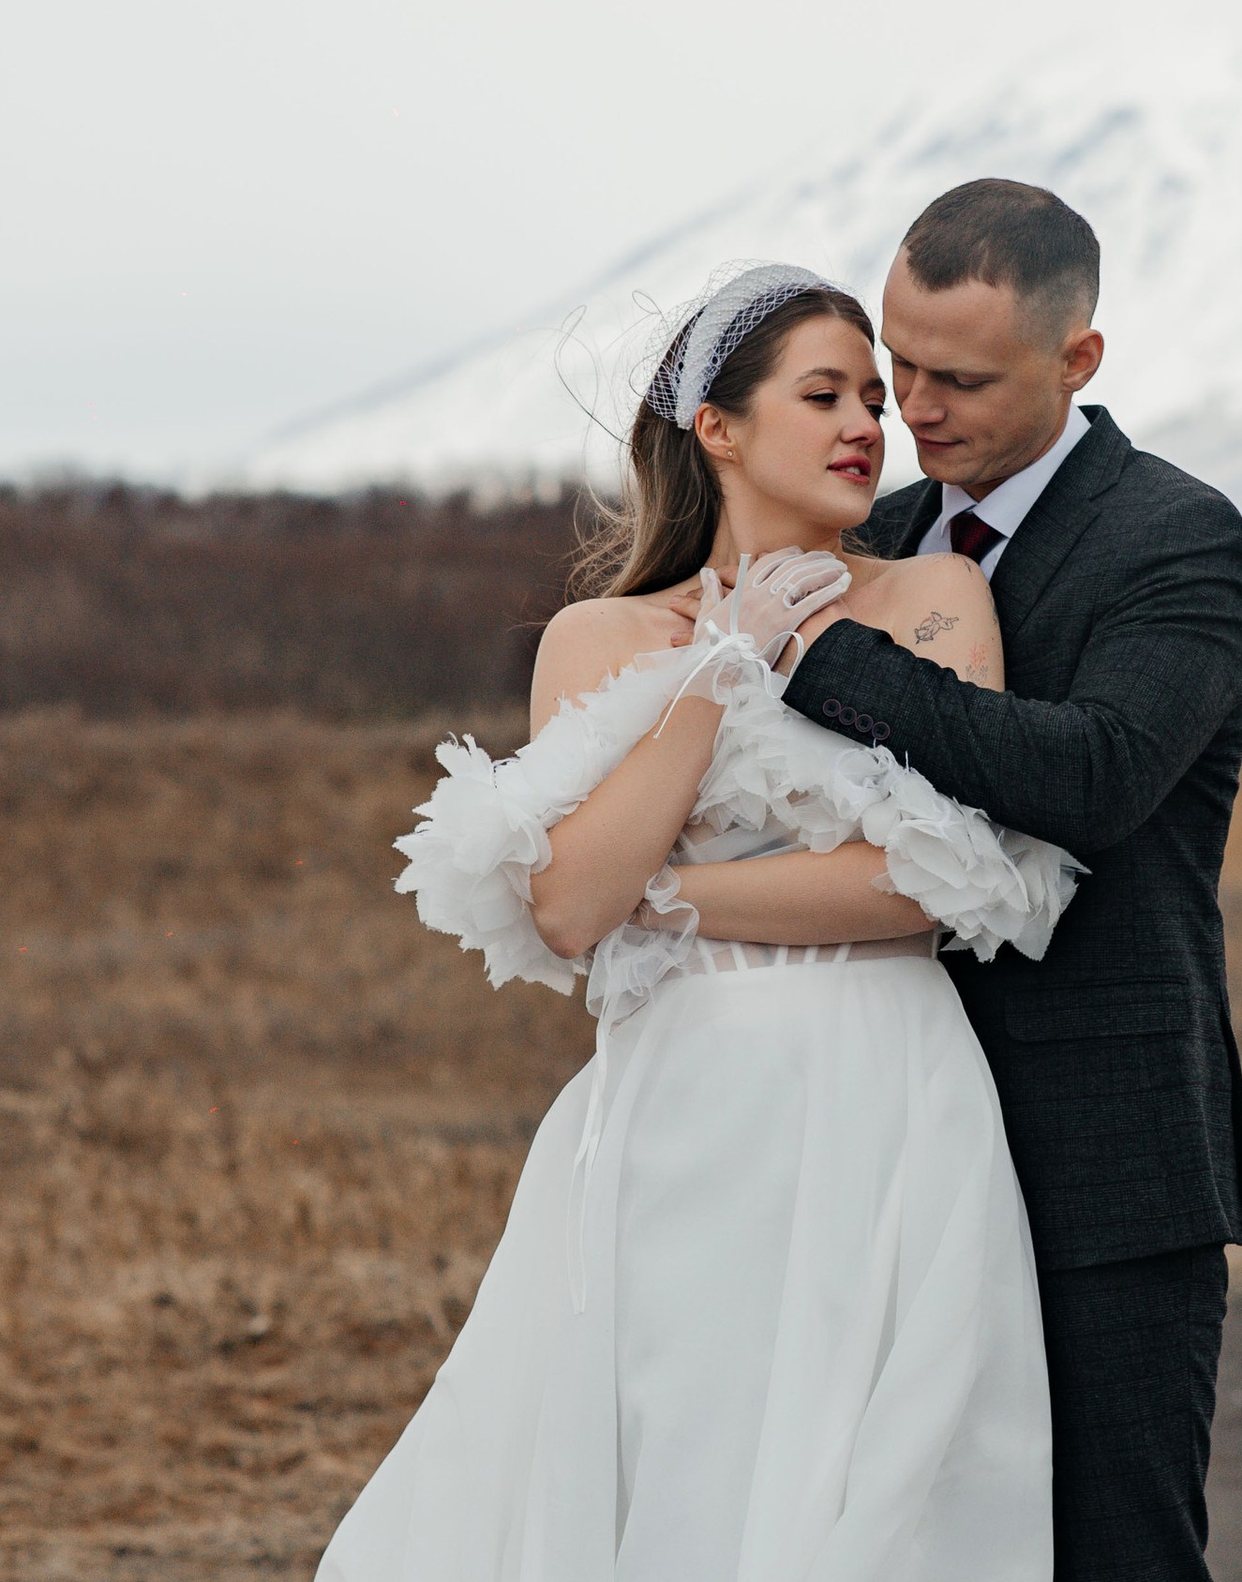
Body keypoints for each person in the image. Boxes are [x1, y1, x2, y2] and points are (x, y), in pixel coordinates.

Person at [314, 264, 1079, 1580]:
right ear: (716, 426)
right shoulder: (599, 636)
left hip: (887, 1090)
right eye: (823, 394)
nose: (865, 428)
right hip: (683, 1102)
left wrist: (668, 896)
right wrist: (720, 675)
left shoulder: (936, 602)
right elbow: (563, 906)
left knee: (886, 1476)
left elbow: (930, 884)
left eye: (873, 404)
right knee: (682, 1457)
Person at [779, 179, 1242, 1582]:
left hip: (1098, 1148)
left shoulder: (1177, 536)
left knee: (1116, 1548)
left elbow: (1103, 774)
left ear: (1079, 360)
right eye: (897, 365)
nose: (911, 410)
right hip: (872, 1135)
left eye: (961, 379)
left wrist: (835, 664)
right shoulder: (869, 534)